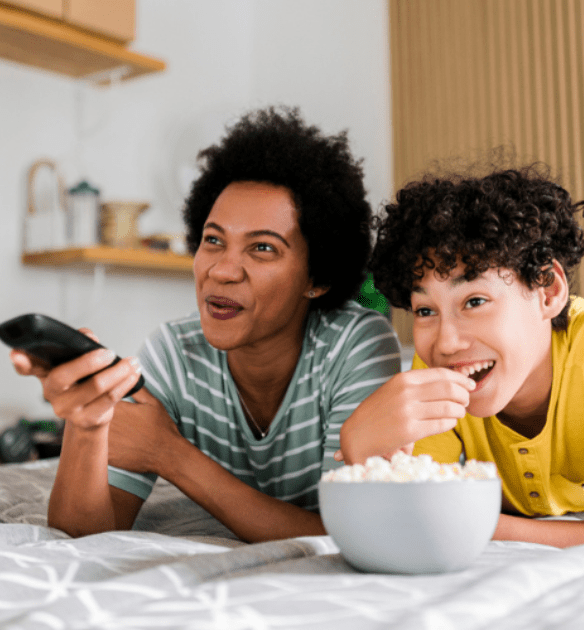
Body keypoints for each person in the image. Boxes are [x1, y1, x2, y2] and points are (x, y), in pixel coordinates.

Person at [11, 106, 401, 541]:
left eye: (263, 249)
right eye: (213, 240)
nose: (222, 270)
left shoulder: (358, 344)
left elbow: (350, 535)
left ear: (317, 278)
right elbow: (85, 534)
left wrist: (169, 454)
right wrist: (87, 427)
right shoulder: (173, 353)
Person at [338, 163, 584, 548]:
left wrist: (481, 524)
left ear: (547, 292)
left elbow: (441, 517)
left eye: (474, 301)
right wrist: (363, 451)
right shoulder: (440, 368)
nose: (447, 342)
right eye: (425, 311)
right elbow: (415, 517)